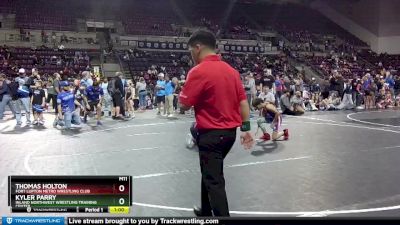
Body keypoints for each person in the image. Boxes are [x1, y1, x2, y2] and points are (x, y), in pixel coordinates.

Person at [179, 30, 254, 217]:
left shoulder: (197, 71)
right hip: (230, 135)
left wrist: (184, 92)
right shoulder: (232, 71)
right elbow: (243, 103)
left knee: (214, 181)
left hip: (210, 135)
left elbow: (184, 105)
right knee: (209, 172)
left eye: (191, 51)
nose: (191, 56)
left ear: (198, 48)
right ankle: (205, 210)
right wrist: (246, 130)